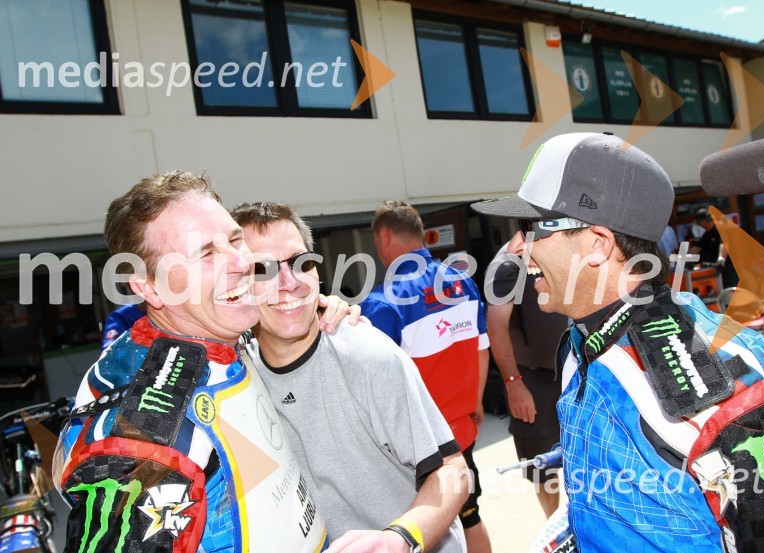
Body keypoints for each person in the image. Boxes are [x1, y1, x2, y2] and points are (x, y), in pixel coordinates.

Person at [472, 132, 764, 552]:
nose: (517, 247)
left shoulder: (701, 390)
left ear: (598, 245)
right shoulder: (583, 336)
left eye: (532, 228)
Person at [54, 171, 357, 552]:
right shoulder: (147, 438)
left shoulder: (210, 333)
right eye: (206, 254)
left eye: (234, 240)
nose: (241, 263)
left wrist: (321, 313)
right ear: (148, 286)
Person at [230, 202, 468, 553]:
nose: (290, 283)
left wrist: (399, 539)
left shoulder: (369, 356)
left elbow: (452, 471)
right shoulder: (236, 372)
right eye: (262, 269)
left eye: (301, 263)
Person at [360, 201, 492, 553]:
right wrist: (476, 401)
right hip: (462, 433)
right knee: (470, 517)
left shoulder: (380, 302)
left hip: (418, 448)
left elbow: (371, 387)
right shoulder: (463, 282)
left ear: (384, 237)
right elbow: (481, 349)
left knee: (415, 533)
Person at [485, 233, 568, 518]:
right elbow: (495, 327)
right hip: (532, 382)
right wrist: (513, 384)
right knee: (544, 470)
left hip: (570, 372)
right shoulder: (507, 265)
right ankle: (553, 526)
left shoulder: (557, 247)